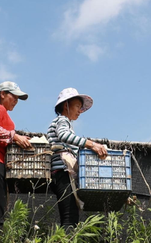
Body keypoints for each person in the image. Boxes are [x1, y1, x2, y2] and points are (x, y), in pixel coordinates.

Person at [0, 81, 33, 241]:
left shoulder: (4, 113)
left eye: (18, 98)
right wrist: (14, 136)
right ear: (3, 94)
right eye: (14, 96)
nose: (16, 100)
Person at [47, 88, 108, 230]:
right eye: (77, 107)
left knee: (71, 217)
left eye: (81, 108)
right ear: (65, 105)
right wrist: (92, 144)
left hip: (62, 174)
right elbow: (63, 135)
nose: (79, 111)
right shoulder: (62, 120)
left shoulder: (63, 122)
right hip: (62, 172)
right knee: (69, 219)